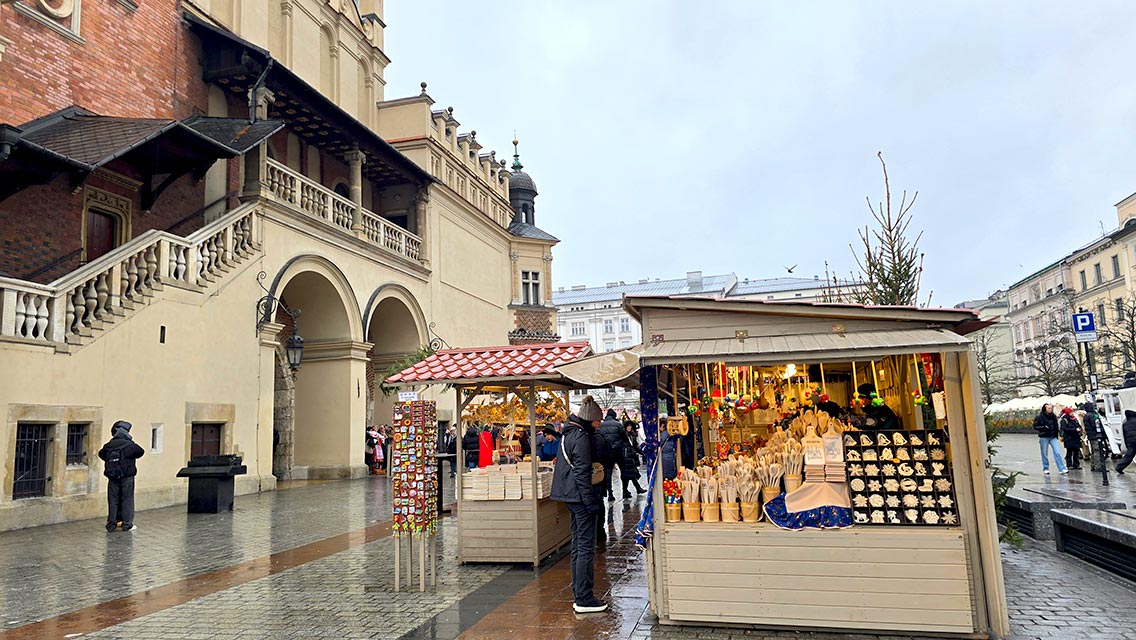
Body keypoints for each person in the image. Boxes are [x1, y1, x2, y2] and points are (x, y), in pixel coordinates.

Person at [550, 394, 607, 614]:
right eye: (597, 420)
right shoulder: (581, 437)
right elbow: (582, 473)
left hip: (570, 496)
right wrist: (590, 501)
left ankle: (579, 593)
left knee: (578, 546)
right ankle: (584, 598)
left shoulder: (568, 433)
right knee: (585, 547)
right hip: (580, 498)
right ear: (589, 419)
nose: (599, 424)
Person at [97, 420, 146, 532]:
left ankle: (111, 524)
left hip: (113, 477)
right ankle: (127, 524)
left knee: (113, 500)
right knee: (127, 499)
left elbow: (101, 454)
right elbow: (140, 452)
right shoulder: (129, 445)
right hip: (127, 477)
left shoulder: (109, 445)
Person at [596, 409, 626, 501]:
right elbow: (624, 437)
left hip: (607, 452)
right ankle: (625, 490)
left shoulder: (600, 426)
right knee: (623, 470)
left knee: (608, 473)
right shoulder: (618, 424)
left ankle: (610, 493)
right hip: (618, 451)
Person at [1032, 404, 1067, 475]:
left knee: (1057, 452)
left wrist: (1058, 434)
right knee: (1044, 453)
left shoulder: (1053, 416)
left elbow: (1056, 426)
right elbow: (1035, 426)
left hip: (1053, 436)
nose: (1050, 409)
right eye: (1048, 408)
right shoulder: (1039, 417)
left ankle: (1062, 468)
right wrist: (1043, 427)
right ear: (1045, 409)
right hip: (1044, 437)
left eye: (1051, 408)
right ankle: (1046, 468)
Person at [1080, 403, 1103, 472]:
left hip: (1091, 436)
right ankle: (1098, 466)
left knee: (1093, 451)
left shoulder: (1086, 416)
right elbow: (1095, 425)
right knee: (1097, 451)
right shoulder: (1092, 415)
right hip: (1095, 435)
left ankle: (1093, 465)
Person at [1116, 409, 1136, 474]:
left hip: (1130, 442)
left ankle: (1119, 467)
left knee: (1129, 456)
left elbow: (1124, 435)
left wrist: (1127, 444)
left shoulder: (1125, 424)